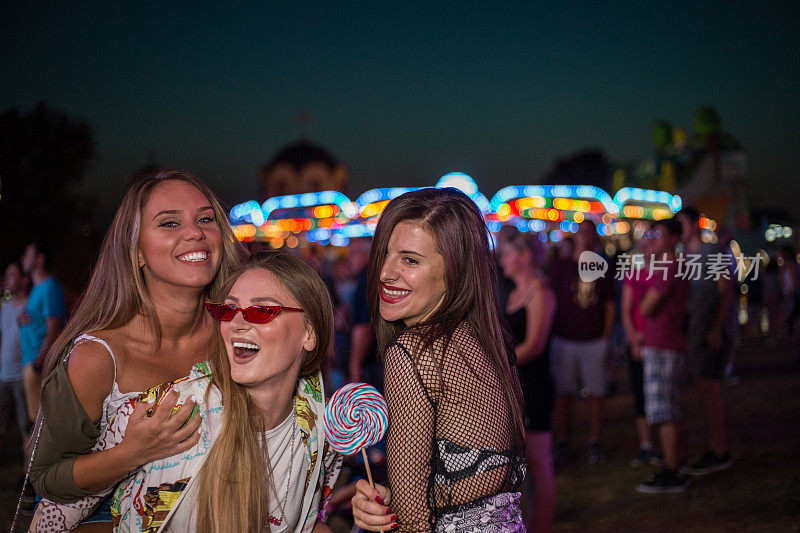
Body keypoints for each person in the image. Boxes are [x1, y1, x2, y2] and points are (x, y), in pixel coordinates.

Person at [27, 170, 246, 530]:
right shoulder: (99, 356)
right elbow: (48, 478)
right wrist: (132, 453)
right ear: (137, 251)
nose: (195, 233)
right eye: (169, 223)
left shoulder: (236, 333)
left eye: (205, 219)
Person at [111, 250, 342, 532]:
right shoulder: (177, 410)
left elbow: (301, 522)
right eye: (227, 310)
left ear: (309, 333)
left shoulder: (319, 425)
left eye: (261, 311)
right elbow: (63, 504)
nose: (236, 324)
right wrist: (125, 456)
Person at [351, 188, 526, 532]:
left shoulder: (413, 352)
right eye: (385, 253)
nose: (385, 272)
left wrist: (398, 511)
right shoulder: (483, 340)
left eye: (410, 260)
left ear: (455, 272)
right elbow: (487, 481)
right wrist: (391, 501)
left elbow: (415, 522)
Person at [497, 227, 556, 533]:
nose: (501, 259)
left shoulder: (540, 292)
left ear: (524, 255)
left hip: (533, 387)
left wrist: (496, 365)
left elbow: (534, 345)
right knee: (519, 466)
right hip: (512, 387)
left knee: (538, 461)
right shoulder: (510, 292)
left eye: (506, 253)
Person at [550, 220, 615, 464]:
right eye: (582, 232)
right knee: (564, 393)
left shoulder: (601, 267)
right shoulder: (561, 268)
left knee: (595, 393)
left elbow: (609, 305)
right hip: (564, 339)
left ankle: (594, 441)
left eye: (590, 233)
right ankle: (563, 441)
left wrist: (606, 339)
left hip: (593, 339)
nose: (585, 237)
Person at [676, 207, 733, 475]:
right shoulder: (683, 257)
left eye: (681, 224)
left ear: (694, 225)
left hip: (708, 329)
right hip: (695, 330)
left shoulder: (712, 252)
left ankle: (719, 450)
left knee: (709, 389)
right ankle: (714, 447)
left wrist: (716, 327)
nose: (678, 230)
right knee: (702, 388)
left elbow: (726, 290)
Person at [635, 218, 690, 493]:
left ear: (673, 240)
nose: (653, 239)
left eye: (659, 235)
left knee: (664, 411)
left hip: (664, 345)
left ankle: (672, 469)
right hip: (665, 343)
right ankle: (674, 465)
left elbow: (646, 307)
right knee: (666, 408)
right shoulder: (669, 266)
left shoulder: (669, 268)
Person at [620, 230, 657, 466]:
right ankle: (647, 445)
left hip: (657, 342)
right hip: (638, 343)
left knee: (658, 396)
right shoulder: (633, 274)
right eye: (642, 247)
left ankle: (662, 444)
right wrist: (634, 339)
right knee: (640, 396)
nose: (645, 250)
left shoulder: (664, 274)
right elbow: (626, 310)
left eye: (649, 246)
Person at [19, 241, 65, 425]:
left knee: (41, 422)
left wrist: (41, 358)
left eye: (27, 254)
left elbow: (54, 324)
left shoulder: (49, 286)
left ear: (39, 259)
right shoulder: (37, 288)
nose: (23, 259)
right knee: (33, 419)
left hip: (39, 364)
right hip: (31, 362)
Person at [1, 263, 32, 452]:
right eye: (6, 275)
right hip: (3, 376)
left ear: (24, 280)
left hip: (22, 376)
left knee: (25, 426)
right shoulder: (4, 306)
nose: (6, 279)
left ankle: (26, 474)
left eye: (11, 275)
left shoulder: (30, 306)